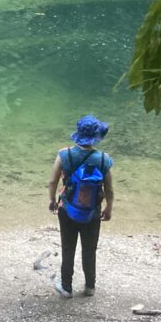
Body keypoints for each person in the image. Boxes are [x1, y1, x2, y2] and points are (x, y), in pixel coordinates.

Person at [47, 115, 115, 298]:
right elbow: (109, 189)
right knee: (89, 249)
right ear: (96, 136)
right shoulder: (104, 160)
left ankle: (66, 287)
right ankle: (90, 287)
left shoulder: (64, 155)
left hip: (67, 209)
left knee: (68, 248)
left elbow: (52, 181)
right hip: (92, 211)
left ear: (78, 135)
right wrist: (109, 208)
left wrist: (52, 200)